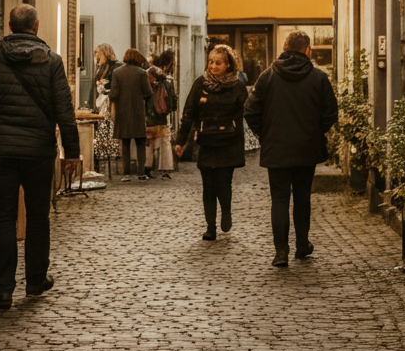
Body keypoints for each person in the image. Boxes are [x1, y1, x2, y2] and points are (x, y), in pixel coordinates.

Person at [0, 4, 80, 310]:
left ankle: (3, 289)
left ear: (10, 26)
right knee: (38, 217)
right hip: (38, 152)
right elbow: (65, 111)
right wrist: (72, 153)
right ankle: (35, 280)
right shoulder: (51, 61)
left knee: (4, 217)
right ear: (36, 26)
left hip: (0, 151)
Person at [244, 30, 338, 267]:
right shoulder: (318, 78)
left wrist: (265, 134)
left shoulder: (267, 77)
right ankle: (302, 244)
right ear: (307, 50)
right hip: (307, 148)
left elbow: (250, 111)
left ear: (284, 49)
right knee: (302, 197)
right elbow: (330, 113)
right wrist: (315, 132)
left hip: (276, 148)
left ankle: (281, 252)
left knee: (279, 199)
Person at [173, 44, 247, 240]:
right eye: (211, 62)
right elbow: (188, 113)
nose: (213, 66)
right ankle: (210, 227)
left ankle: (226, 212)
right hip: (207, 141)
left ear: (228, 64)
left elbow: (246, 114)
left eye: (218, 63)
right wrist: (181, 141)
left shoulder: (237, 87)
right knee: (208, 186)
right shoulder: (200, 84)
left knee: (224, 183)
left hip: (229, 142)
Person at [109, 48, 152, 181]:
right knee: (140, 142)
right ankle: (141, 172)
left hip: (122, 111)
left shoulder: (117, 72)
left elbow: (113, 93)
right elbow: (148, 92)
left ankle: (126, 173)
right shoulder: (141, 73)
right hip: (138, 110)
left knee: (125, 142)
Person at [145, 49, 178, 179]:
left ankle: (147, 167)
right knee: (165, 140)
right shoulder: (167, 78)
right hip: (162, 113)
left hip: (149, 112)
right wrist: (172, 107)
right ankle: (165, 167)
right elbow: (172, 97)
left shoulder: (149, 73)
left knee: (149, 140)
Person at [92, 43, 119, 108]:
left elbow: (114, 83)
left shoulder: (114, 66)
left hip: (108, 99)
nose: (97, 56)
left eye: (98, 53)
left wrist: (103, 83)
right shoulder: (101, 66)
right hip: (101, 98)